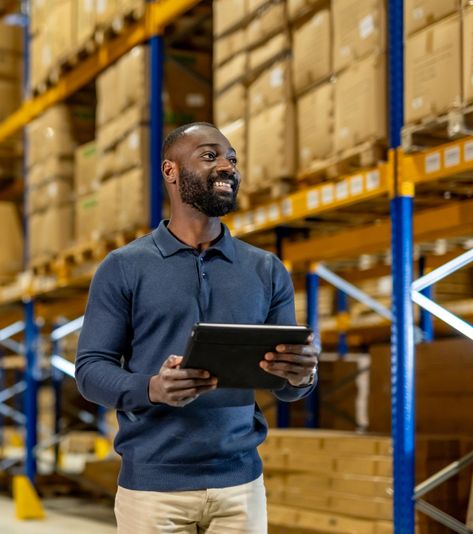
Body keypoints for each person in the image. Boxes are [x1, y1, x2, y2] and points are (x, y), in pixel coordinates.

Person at [75, 122, 320, 533]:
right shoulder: (124, 267)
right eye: (210, 156)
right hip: (154, 490)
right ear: (171, 172)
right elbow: (90, 370)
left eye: (232, 159)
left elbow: (290, 384)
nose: (227, 166)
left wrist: (303, 373)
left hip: (240, 486)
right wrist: (152, 387)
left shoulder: (265, 269)